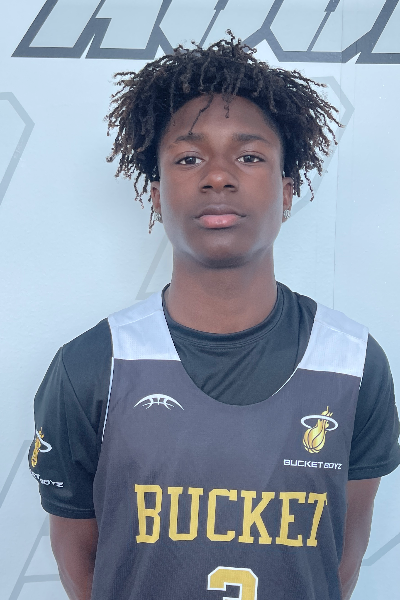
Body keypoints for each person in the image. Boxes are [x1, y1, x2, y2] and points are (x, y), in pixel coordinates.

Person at [29, 33, 400, 600]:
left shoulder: (353, 363)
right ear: (157, 194)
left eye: (249, 157)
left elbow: (338, 560)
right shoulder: (91, 366)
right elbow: (80, 558)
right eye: (189, 158)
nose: (218, 176)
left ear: (287, 190)